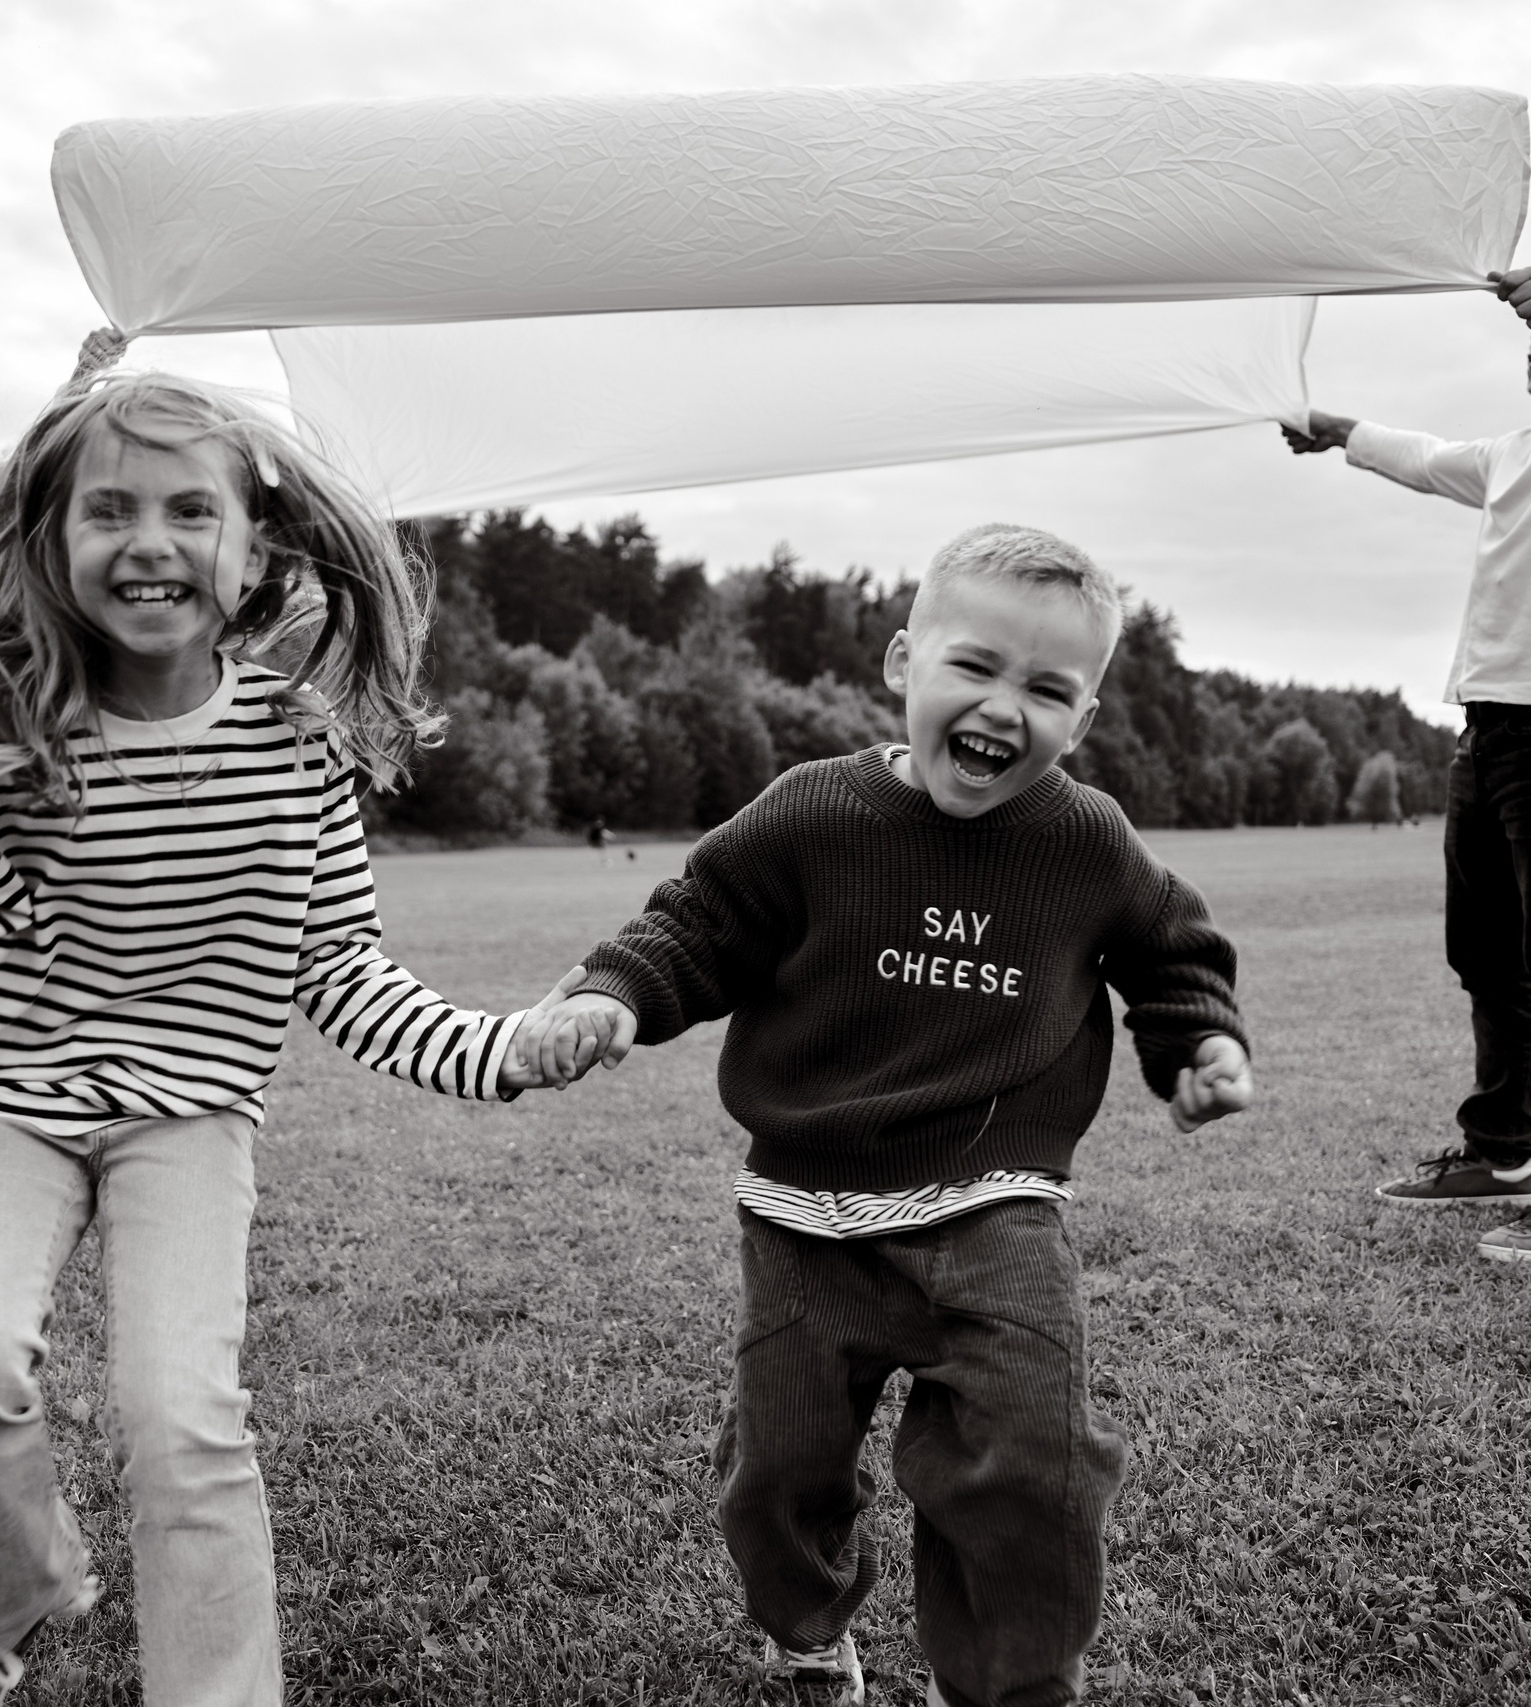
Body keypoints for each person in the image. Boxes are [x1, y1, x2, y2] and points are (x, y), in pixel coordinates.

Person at [0, 357, 569, 1707]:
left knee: (182, 1418)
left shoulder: (293, 741)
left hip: (190, 1114)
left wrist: (494, 1048)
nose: (149, 542)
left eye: (188, 510)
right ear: (52, 538)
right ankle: (13, 1587)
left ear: (251, 542)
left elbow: (339, 965)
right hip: (6, 1104)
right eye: (109, 510)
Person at [527, 525, 1254, 1707]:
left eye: (1047, 690)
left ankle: (1007, 1681)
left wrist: (1201, 1044)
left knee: (1035, 1460)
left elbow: (1172, 951)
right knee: (781, 1465)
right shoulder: (815, 813)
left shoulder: (1083, 840)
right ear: (902, 662)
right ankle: (808, 1634)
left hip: (997, 1206)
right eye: (974, 668)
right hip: (805, 1211)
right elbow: (696, 921)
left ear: (1088, 716)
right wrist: (614, 995)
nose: (1002, 707)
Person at [1284, 258, 1531, 1263]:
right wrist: (1341, 433)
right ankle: (1500, 1152)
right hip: (1493, 734)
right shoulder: (1517, 453)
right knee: (1490, 962)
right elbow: (1424, 458)